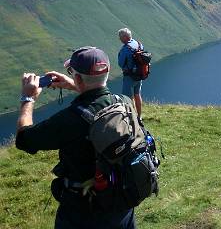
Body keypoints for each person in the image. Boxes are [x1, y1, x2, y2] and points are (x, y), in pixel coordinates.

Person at [15, 46, 136, 228]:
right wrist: (75, 85)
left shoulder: (70, 120)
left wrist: (27, 99)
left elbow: (24, 140)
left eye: (72, 73)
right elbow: (97, 101)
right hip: (122, 203)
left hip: (84, 213)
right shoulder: (124, 103)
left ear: (78, 77)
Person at [117, 28, 144, 116]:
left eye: (120, 37)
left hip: (129, 76)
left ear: (125, 37)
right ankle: (139, 116)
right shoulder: (138, 44)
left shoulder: (125, 49)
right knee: (137, 94)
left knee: (128, 98)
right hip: (139, 74)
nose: (120, 39)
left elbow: (121, 63)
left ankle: (132, 118)